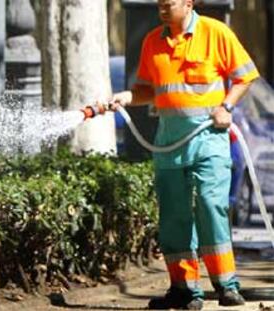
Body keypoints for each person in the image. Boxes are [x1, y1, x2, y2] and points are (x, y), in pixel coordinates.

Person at [109, 0, 259, 309]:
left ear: (188, 4)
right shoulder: (152, 41)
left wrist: (226, 106)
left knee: (210, 204)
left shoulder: (215, 33)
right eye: (160, 4)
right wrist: (127, 96)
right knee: (174, 217)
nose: (163, 9)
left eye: (169, 4)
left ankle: (226, 286)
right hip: (169, 145)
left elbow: (245, 76)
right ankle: (184, 289)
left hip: (209, 141)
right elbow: (147, 88)